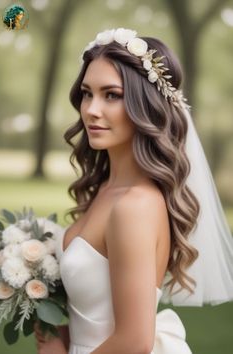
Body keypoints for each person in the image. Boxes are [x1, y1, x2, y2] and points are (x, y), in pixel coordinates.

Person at [34, 28, 233, 354]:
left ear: (147, 106)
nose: (91, 110)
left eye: (111, 95)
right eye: (87, 93)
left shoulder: (135, 205)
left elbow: (133, 342)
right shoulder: (107, 189)